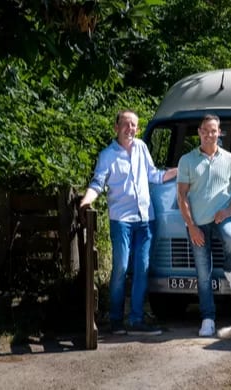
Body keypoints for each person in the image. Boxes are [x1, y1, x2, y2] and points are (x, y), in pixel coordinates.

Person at [80, 109, 177, 336]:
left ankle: (136, 319)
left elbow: (154, 175)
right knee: (121, 268)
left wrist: (181, 170)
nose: (130, 129)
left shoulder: (142, 148)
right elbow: (97, 184)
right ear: (116, 128)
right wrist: (85, 202)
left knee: (142, 269)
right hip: (121, 221)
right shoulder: (107, 155)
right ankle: (115, 319)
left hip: (146, 219)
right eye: (126, 124)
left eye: (134, 125)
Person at [177, 114, 231, 337]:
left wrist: (227, 211)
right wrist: (191, 226)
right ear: (199, 132)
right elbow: (182, 196)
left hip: (222, 217)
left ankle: (230, 269)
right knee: (203, 274)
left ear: (219, 133)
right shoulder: (187, 160)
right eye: (205, 130)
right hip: (197, 223)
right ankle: (208, 319)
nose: (209, 134)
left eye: (213, 130)